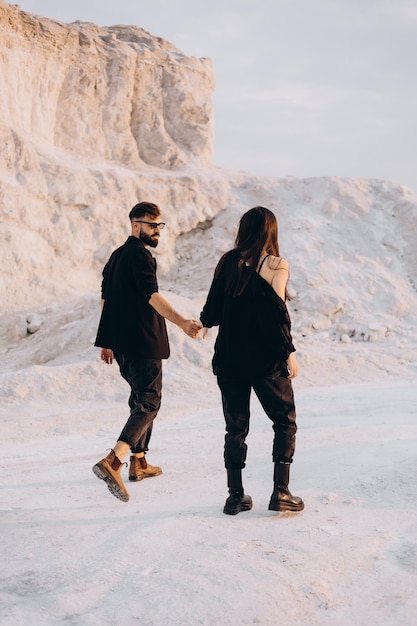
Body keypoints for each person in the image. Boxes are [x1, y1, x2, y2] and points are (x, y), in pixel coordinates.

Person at [93, 201, 201, 503]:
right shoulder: (141, 256)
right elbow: (151, 296)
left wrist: (108, 340)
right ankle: (114, 460)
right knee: (150, 401)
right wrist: (181, 322)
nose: (157, 231)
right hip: (143, 341)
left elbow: (106, 301)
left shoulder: (115, 257)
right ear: (135, 224)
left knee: (140, 398)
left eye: (159, 225)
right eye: (152, 225)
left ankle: (139, 462)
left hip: (124, 345)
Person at [200, 206, 304, 515]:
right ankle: (281, 492)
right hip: (265, 361)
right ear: (271, 231)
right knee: (284, 421)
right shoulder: (275, 264)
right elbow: (278, 316)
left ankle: (236, 496)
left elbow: (211, 314)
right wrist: (289, 352)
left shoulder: (227, 263)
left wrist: (204, 324)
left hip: (229, 359)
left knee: (236, 427)